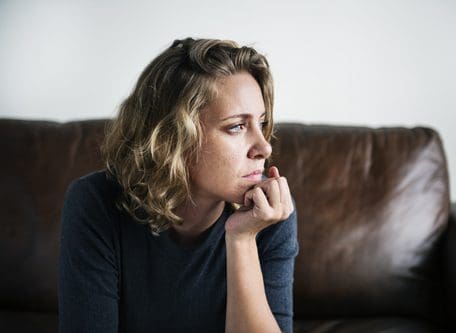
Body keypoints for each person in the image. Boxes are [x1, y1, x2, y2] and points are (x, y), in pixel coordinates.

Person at [58, 37, 299, 333]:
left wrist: (242, 240)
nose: (264, 147)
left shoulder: (269, 213)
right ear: (174, 138)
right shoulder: (95, 203)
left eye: (261, 124)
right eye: (236, 126)